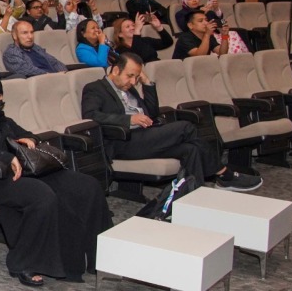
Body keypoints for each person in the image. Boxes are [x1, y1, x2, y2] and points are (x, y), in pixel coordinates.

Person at [0, 77, 111, 286]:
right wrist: (4, 156)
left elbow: (25, 133)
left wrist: (30, 139)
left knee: (87, 186)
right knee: (42, 197)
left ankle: (100, 256)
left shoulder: (2, 120)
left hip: (25, 171)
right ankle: (23, 262)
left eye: (0, 96)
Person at [81, 52, 261, 191]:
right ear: (115, 70)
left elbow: (151, 112)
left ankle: (193, 198)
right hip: (122, 141)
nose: (133, 81)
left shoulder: (130, 87)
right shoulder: (95, 88)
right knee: (186, 127)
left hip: (146, 136)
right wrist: (129, 119)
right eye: (130, 76)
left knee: (191, 149)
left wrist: (147, 83)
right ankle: (224, 174)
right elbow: (91, 116)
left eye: (136, 77)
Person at [174, 0, 248, 53]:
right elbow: (185, 27)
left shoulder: (206, 9)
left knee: (234, 33)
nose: (194, 0)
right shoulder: (181, 13)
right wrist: (201, 12)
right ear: (185, 1)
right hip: (199, 35)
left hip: (212, 33)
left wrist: (215, 9)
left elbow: (221, 22)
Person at [2, 20, 67, 77]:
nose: (30, 36)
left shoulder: (36, 48)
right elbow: (26, 69)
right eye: (25, 33)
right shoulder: (11, 53)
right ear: (14, 36)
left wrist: (65, 74)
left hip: (58, 79)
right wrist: (53, 76)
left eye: (32, 32)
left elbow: (54, 62)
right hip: (41, 83)